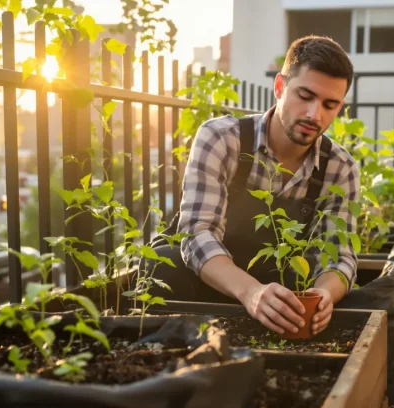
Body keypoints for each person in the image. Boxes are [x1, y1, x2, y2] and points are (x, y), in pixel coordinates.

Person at [145, 35, 360, 337]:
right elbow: (196, 234)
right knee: (163, 266)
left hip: (280, 299)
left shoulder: (341, 168)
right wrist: (251, 293)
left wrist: (324, 294)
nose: (315, 114)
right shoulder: (222, 139)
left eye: (329, 104)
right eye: (305, 96)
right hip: (209, 286)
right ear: (280, 87)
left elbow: (340, 255)